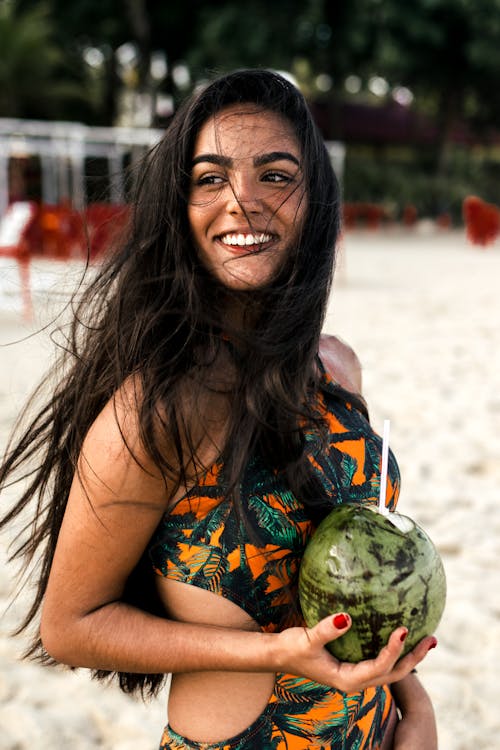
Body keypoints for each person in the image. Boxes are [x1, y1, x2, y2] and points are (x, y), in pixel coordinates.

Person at [0, 69, 438, 749]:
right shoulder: (157, 411)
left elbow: (363, 574)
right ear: (181, 206)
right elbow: (72, 624)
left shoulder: (338, 370)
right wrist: (273, 653)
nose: (241, 201)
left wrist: (414, 705)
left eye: (275, 175)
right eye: (210, 178)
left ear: (315, 199)